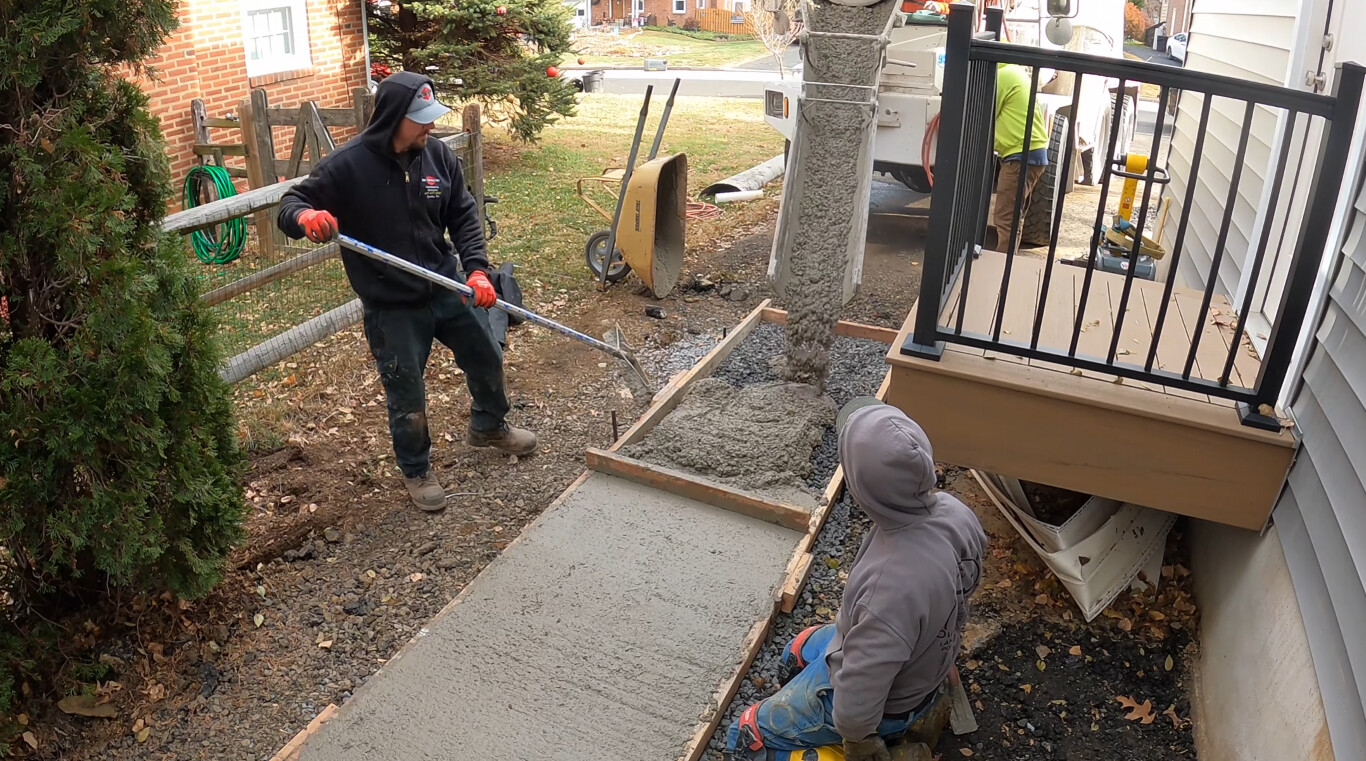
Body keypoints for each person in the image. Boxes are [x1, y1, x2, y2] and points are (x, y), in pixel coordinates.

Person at [277, 71, 537, 513]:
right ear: (393, 117)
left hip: (446, 286)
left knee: (486, 356)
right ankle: (416, 469)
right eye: (421, 118)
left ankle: (489, 426)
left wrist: (477, 272)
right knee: (407, 394)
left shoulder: (437, 156)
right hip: (392, 305)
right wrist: (306, 219)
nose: (430, 125)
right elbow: (290, 204)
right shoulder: (348, 166)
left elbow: (464, 216)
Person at [725, 399, 986, 761]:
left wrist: (858, 739)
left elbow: (862, 687)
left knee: (745, 737)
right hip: (924, 663)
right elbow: (962, 589)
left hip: (889, 703)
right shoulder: (957, 513)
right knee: (796, 651)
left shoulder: (888, 587)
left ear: (863, 486)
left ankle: (860, 748)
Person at [992, 62, 1051, 254]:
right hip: (1030, 153)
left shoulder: (1002, 76)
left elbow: (984, 114)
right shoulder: (1015, 72)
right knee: (1014, 214)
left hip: (1020, 155)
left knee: (1005, 216)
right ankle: (1008, 260)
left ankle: (1003, 263)